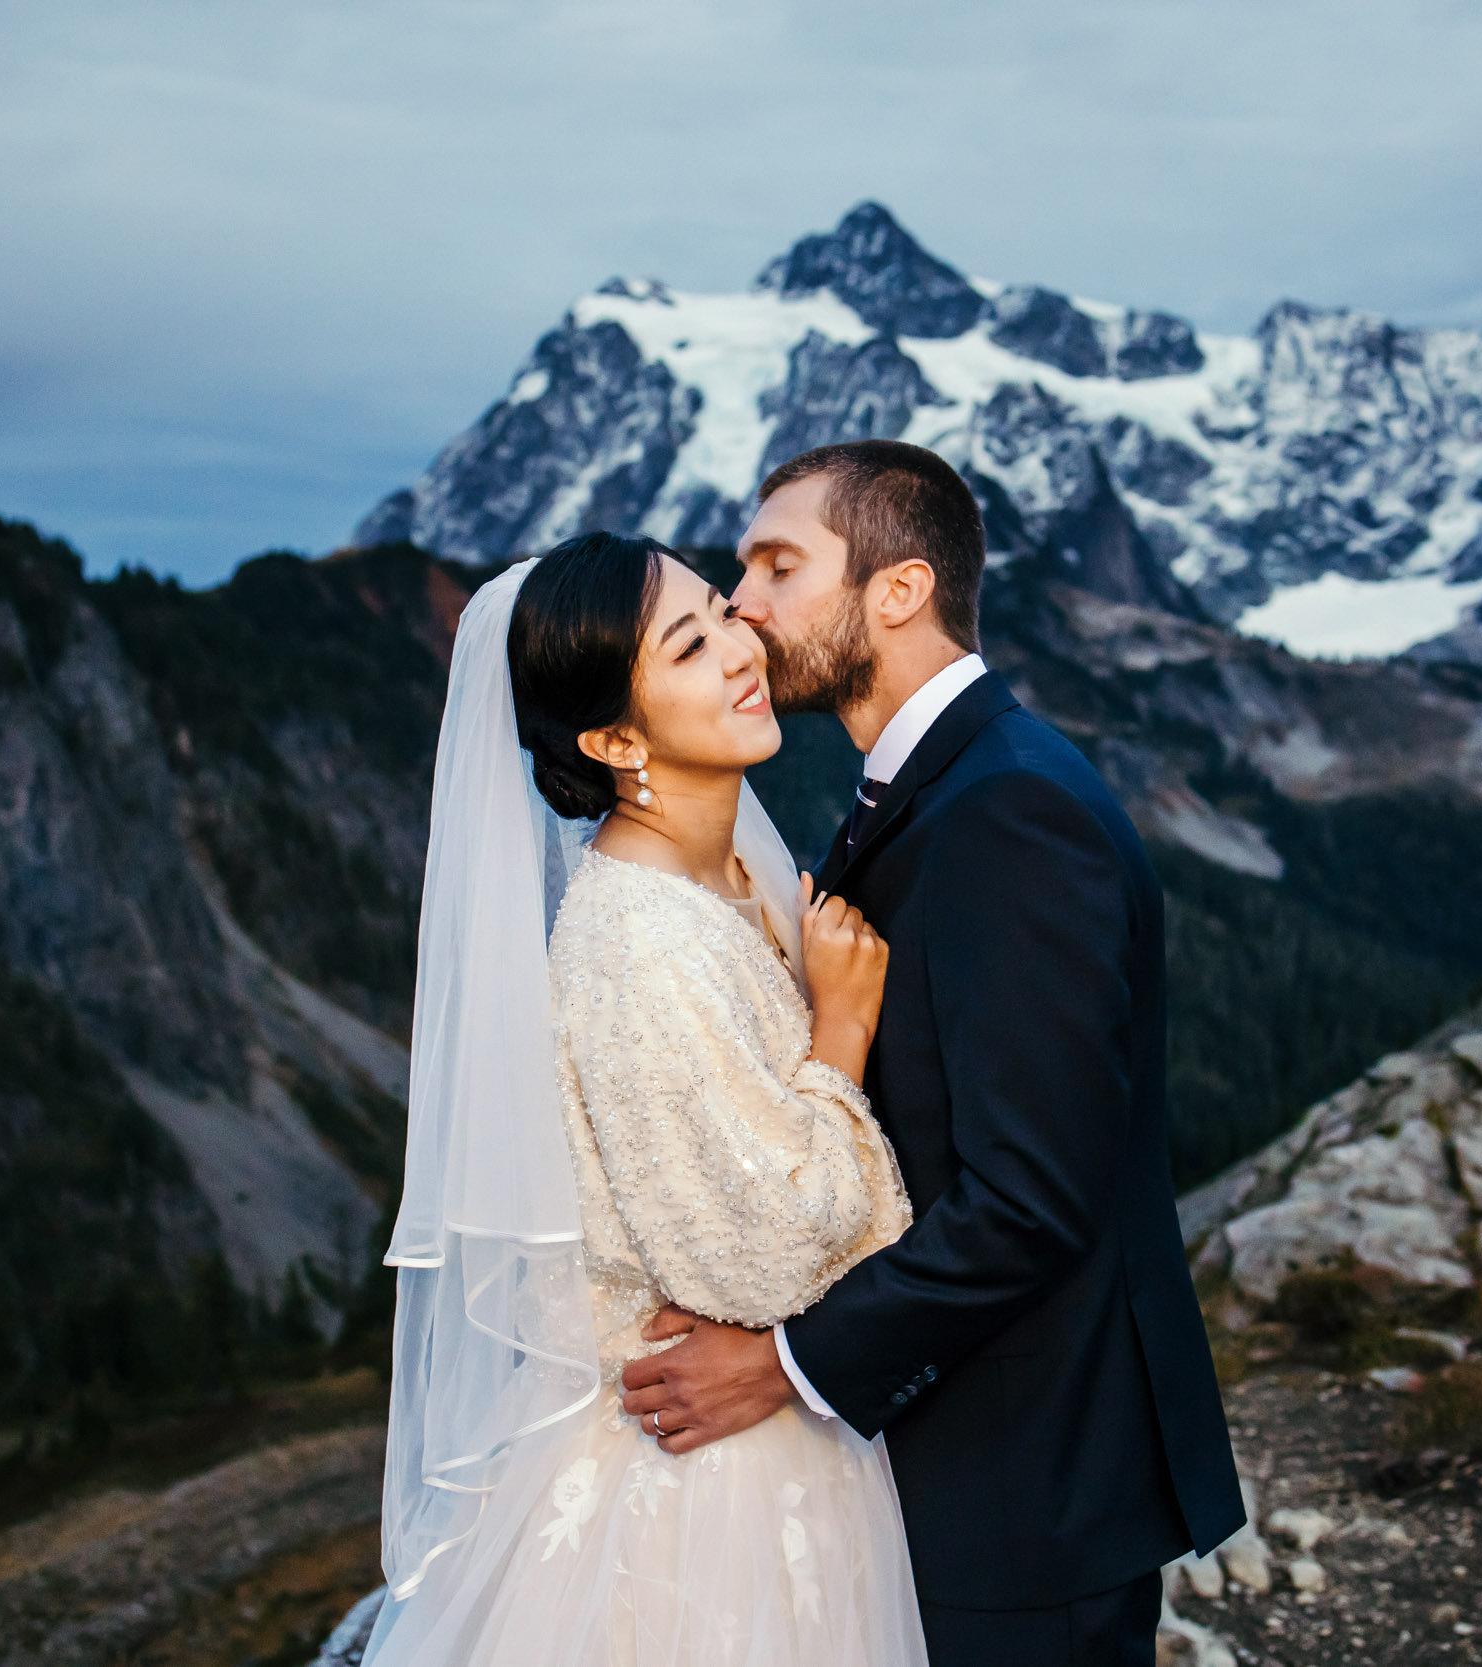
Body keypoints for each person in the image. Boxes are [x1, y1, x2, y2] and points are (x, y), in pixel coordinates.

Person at [616, 440, 1247, 1667]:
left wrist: (785, 1364)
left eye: (777, 565)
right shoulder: (933, 786)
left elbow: (1032, 1196)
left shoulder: (1009, 812)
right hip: (974, 1467)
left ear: (895, 590)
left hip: (1025, 1493)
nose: (742, 603)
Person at [364, 532, 929, 1666]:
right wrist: (841, 1030)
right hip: (701, 1493)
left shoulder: (715, 877)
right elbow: (763, 1259)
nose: (740, 647)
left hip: (766, 1445)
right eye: (690, 642)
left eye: (724, 611)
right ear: (616, 737)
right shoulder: (638, 942)